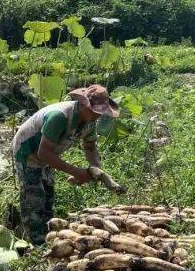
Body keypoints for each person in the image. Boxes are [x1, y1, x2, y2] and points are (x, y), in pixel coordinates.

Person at [12, 84, 122, 245]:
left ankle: (48, 237)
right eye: (95, 111)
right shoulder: (60, 117)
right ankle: (35, 244)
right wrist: (77, 172)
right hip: (28, 151)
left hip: (49, 154)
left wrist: (97, 171)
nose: (98, 116)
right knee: (34, 199)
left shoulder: (89, 122)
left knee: (48, 196)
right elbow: (43, 153)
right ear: (84, 104)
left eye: (100, 113)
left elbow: (90, 147)